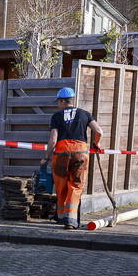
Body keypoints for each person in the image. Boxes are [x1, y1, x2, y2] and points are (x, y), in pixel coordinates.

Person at [46, 88, 104, 229]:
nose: (57, 105)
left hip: (61, 154)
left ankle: (60, 217)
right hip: (80, 153)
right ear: (72, 100)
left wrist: (47, 157)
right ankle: (71, 220)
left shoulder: (56, 116)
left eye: (58, 102)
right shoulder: (85, 114)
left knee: (61, 185)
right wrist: (96, 144)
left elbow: (53, 140)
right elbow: (98, 131)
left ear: (61, 101)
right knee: (76, 185)